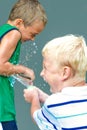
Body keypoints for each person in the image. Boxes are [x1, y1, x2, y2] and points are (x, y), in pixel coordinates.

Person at [0, 0, 47, 129]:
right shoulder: (13, 33)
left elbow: (5, 69)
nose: (33, 39)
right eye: (33, 34)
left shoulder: (2, 32)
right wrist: (23, 69)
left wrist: (19, 75)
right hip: (2, 110)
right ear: (19, 23)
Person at [24, 34, 87, 130]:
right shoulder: (57, 103)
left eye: (45, 68)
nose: (41, 73)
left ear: (65, 72)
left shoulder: (53, 103)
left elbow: (36, 117)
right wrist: (44, 97)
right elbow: (66, 107)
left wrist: (34, 98)